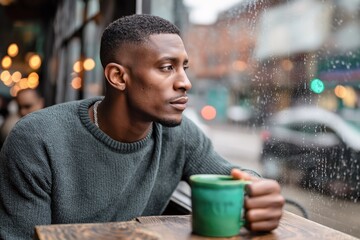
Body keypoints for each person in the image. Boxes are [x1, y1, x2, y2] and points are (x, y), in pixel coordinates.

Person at [0, 14, 284, 239]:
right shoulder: (36, 140)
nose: (185, 82)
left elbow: (229, 175)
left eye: (184, 67)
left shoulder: (179, 133)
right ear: (118, 77)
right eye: (166, 67)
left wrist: (255, 188)